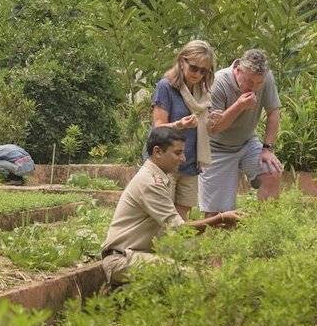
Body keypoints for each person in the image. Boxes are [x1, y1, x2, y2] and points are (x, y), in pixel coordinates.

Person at [101, 126, 240, 284]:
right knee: (197, 277)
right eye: (178, 153)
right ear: (158, 152)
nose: (183, 159)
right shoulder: (150, 183)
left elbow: (176, 234)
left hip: (135, 255)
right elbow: (179, 229)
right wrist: (220, 218)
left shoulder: (158, 178)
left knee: (207, 256)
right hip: (122, 260)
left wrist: (209, 245)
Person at [200, 48, 283, 216]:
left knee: (272, 172)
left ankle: (266, 229)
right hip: (216, 148)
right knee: (217, 214)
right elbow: (213, 129)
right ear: (238, 70)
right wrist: (239, 106)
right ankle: (218, 240)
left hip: (247, 142)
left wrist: (267, 148)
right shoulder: (218, 83)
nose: (254, 87)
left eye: (259, 83)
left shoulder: (265, 78)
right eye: (250, 82)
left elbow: (274, 112)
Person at [147, 40, 218, 220]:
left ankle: (178, 248)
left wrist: (213, 120)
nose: (198, 74)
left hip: (190, 161)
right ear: (181, 61)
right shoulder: (166, 87)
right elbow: (158, 129)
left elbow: (205, 129)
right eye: (194, 68)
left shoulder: (203, 93)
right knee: (162, 216)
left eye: (204, 71)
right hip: (165, 162)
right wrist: (180, 125)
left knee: (182, 216)